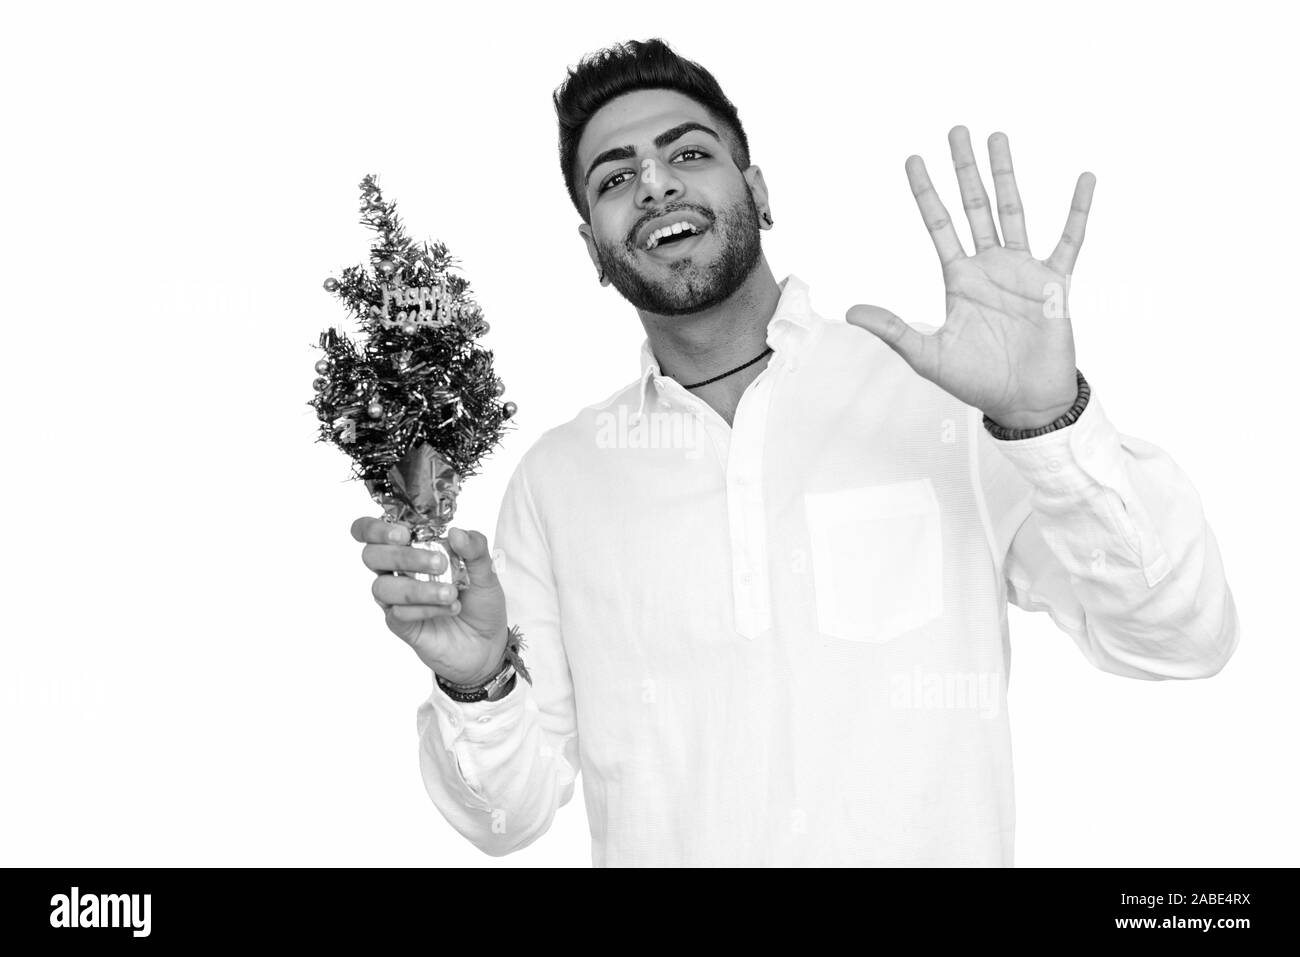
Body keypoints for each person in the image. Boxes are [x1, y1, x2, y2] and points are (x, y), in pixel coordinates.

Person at [351, 38, 1238, 866]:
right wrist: (476, 679)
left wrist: (1048, 420)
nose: (655, 185)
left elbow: (1182, 639)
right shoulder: (559, 481)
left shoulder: (942, 396)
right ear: (592, 246)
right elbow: (509, 813)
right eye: (616, 176)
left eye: (689, 153)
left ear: (760, 190)